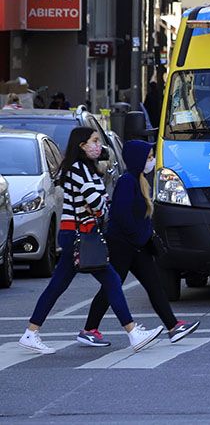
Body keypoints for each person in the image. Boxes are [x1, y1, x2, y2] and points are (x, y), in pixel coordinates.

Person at [19, 127, 163, 355]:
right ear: (81, 146)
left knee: (59, 285)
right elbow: (99, 202)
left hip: (77, 234)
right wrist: (99, 202)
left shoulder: (86, 169)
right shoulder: (78, 169)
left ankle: (31, 332)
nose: (99, 146)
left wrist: (99, 202)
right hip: (80, 235)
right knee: (111, 281)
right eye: (94, 141)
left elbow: (101, 201)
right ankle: (133, 333)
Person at [79, 140, 200, 347]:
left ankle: (173, 326)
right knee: (112, 286)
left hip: (136, 246)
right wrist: (137, 237)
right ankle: (89, 329)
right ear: (138, 159)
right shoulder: (128, 181)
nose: (152, 160)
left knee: (154, 286)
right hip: (124, 246)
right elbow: (121, 215)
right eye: (149, 157)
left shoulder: (138, 180)